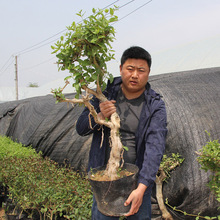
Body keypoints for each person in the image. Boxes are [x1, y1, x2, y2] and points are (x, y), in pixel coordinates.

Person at [76, 46, 167, 220]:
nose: (135, 75)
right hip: (106, 181)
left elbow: (155, 146)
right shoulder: (104, 93)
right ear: (120, 69)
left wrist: (141, 188)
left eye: (141, 70)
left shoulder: (155, 105)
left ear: (148, 73)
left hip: (137, 182)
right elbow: (81, 128)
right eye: (130, 69)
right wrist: (100, 115)